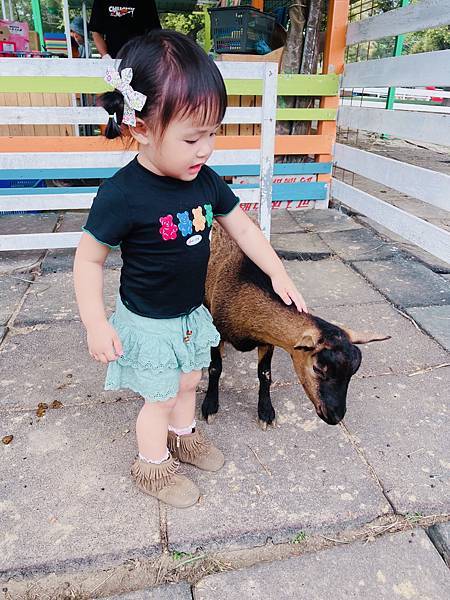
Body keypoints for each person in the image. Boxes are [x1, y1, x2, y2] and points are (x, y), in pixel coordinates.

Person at [73, 30, 307, 509]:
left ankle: (184, 437)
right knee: (157, 397)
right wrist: (95, 323)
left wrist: (278, 272)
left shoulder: (204, 180)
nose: (206, 149)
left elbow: (242, 229)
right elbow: (88, 258)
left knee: (189, 382)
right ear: (140, 127)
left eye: (213, 133)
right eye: (192, 137)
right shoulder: (123, 194)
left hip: (188, 316)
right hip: (150, 322)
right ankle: (152, 466)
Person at [88, 0, 161, 59]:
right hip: (112, 59)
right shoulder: (101, 1)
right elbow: (96, 32)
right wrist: (105, 56)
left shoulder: (147, 2)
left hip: (139, 59)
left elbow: (155, 32)